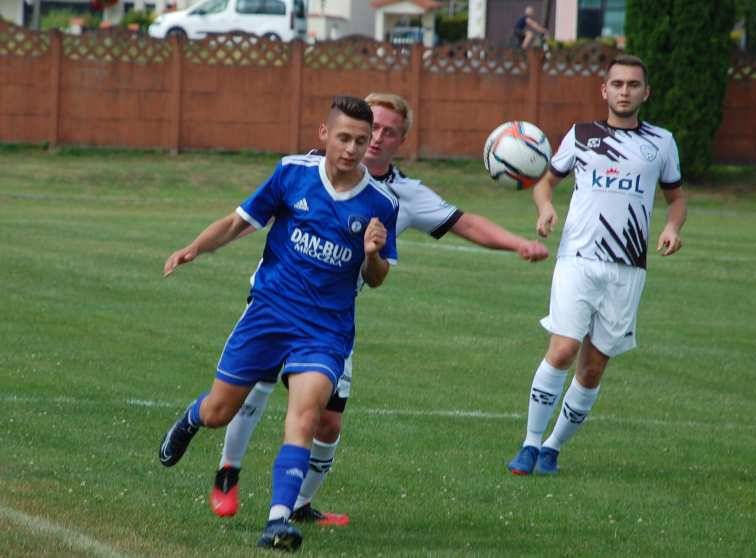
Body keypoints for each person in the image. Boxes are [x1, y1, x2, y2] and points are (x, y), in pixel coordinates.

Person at [208, 92, 550, 525]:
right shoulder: (316, 163)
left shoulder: (402, 195)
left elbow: (465, 222)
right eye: (375, 128)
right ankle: (228, 470)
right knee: (255, 386)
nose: (376, 139)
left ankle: (298, 506)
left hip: (332, 321)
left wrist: (519, 243)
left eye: (389, 132)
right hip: (278, 300)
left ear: (399, 140)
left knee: (328, 423)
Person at [158, 95, 399, 552]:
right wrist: (194, 248)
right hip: (269, 313)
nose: (351, 148)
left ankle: (278, 519)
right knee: (218, 412)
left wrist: (371, 255)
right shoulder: (292, 174)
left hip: (325, 329)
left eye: (361, 141)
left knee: (305, 416)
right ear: (324, 135)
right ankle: (191, 420)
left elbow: (378, 278)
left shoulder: (380, 203)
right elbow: (237, 222)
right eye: (343, 137)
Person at [507, 54, 687, 476]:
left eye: (633, 85)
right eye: (618, 84)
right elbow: (545, 184)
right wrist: (546, 207)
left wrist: (673, 228)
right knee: (564, 348)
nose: (625, 91)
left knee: (592, 367)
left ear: (646, 92)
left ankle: (552, 448)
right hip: (578, 260)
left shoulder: (661, 142)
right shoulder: (581, 135)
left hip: (628, 268)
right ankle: (530, 444)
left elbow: (676, 198)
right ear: (604, 90)